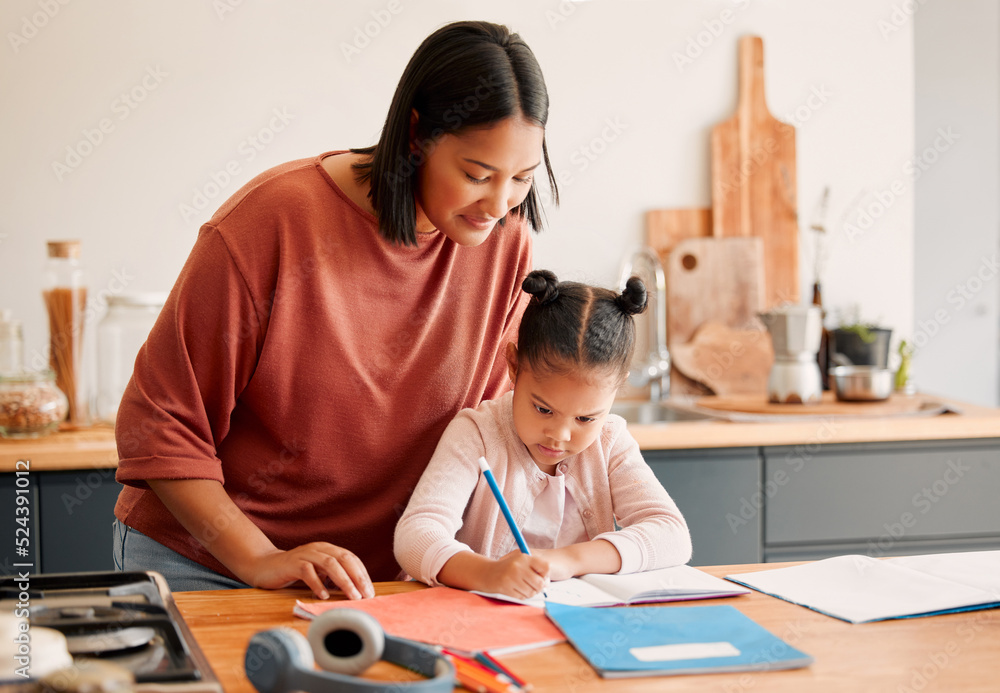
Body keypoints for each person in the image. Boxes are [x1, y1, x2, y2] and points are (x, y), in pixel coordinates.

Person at [112, 20, 558, 599]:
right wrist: (260, 559)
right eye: (477, 175)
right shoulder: (273, 222)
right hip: (211, 565)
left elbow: (493, 423)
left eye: (521, 179)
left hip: (370, 581)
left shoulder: (504, 243)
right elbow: (161, 423)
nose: (498, 205)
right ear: (417, 135)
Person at [393, 270, 692, 600]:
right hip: (474, 620)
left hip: (573, 623)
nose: (560, 435)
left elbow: (671, 533)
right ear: (514, 366)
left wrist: (567, 561)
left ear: (615, 394)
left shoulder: (610, 442)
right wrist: (488, 573)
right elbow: (415, 535)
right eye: (543, 409)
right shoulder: (476, 434)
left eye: (585, 418)